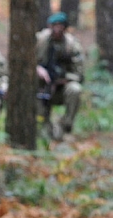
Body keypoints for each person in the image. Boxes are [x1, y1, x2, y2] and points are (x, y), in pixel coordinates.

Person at [36, 11, 85, 140]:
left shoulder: (72, 45)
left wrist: (63, 79)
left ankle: (65, 125)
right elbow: (22, 63)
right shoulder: (39, 41)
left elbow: (79, 74)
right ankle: (46, 130)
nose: (57, 29)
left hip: (61, 88)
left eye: (60, 25)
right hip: (40, 88)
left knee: (75, 89)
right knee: (42, 128)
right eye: (54, 25)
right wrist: (38, 69)